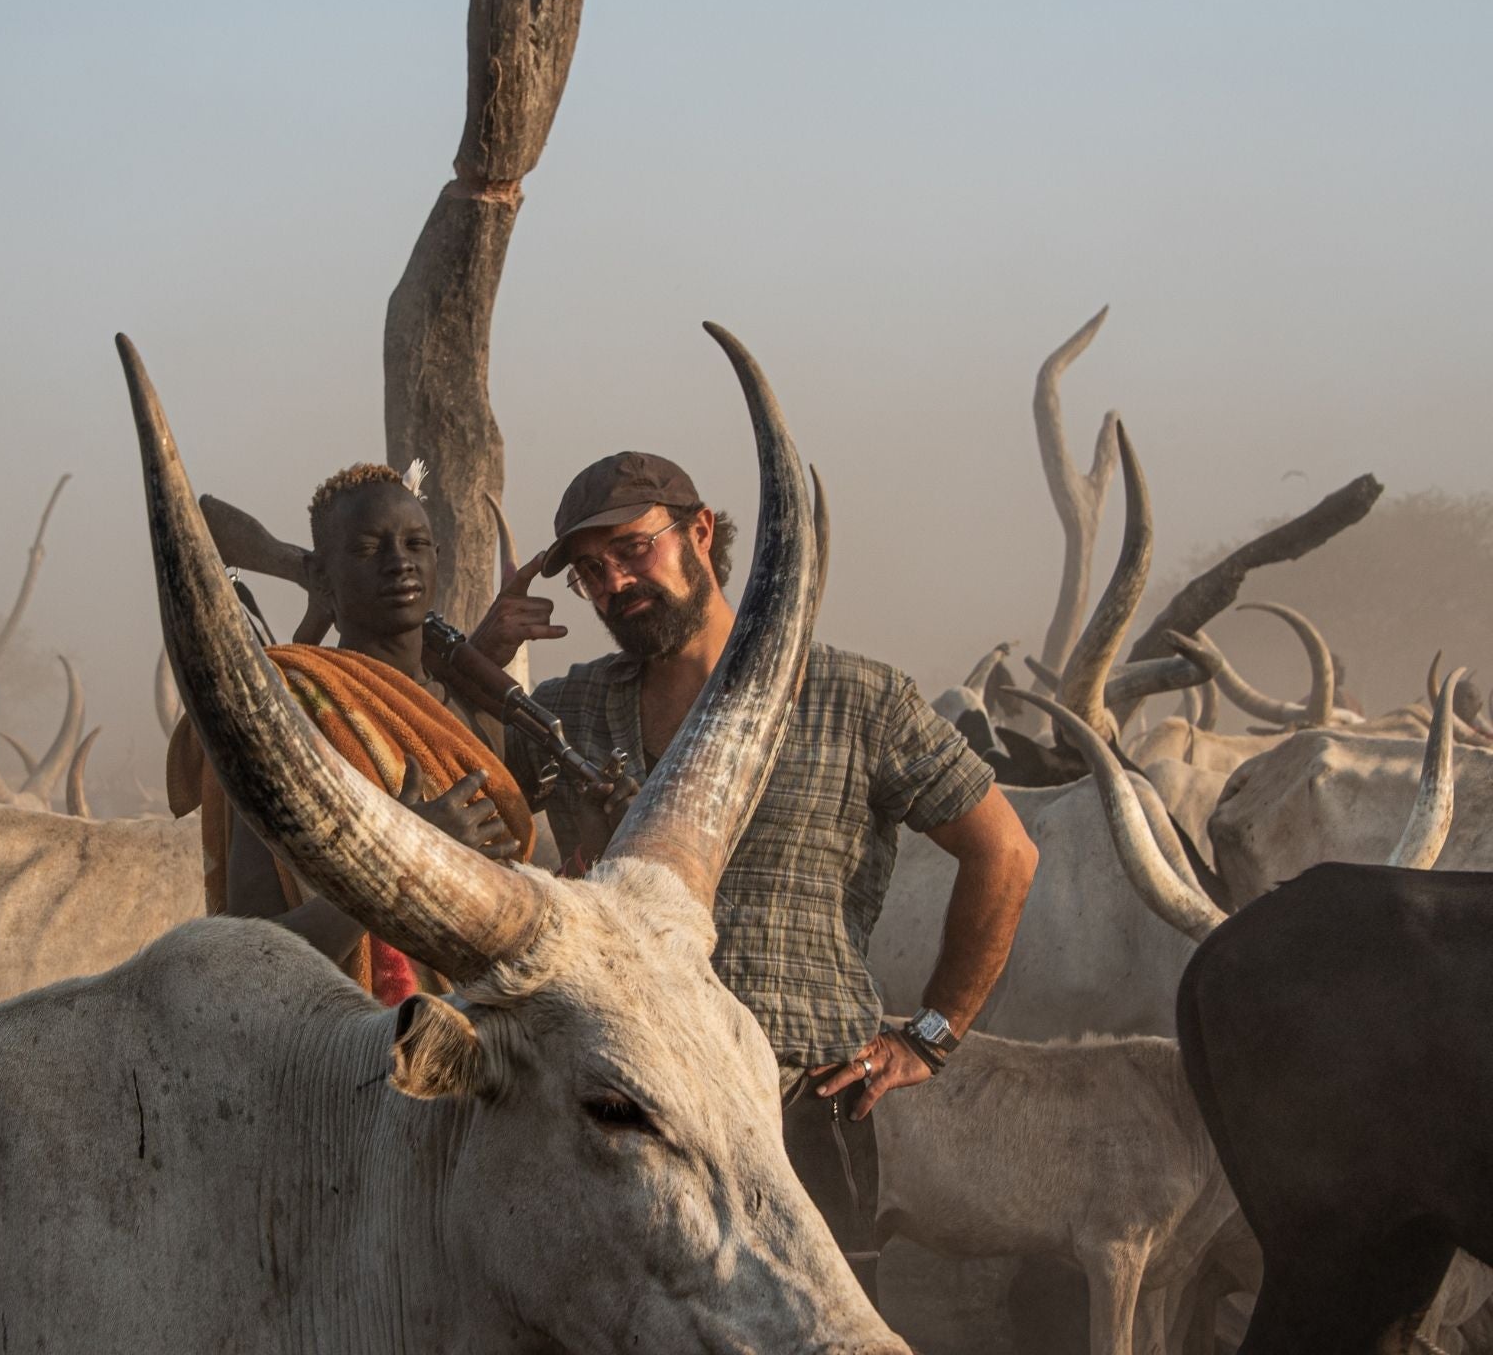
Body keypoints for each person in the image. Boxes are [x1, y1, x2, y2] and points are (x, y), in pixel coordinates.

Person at [470, 450, 1038, 1301]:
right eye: (590, 573)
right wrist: (480, 656)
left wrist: (930, 1034)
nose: (615, 583)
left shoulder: (854, 696)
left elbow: (1005, 851)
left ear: (700, 532)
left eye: (633, 550)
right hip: (631, 1115)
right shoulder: (569, 707)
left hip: (804, 1103)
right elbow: (446, 794)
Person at [168, 462, 537, 1003]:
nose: (400, 563)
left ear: (437, 559)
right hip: (357, 1059)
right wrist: (403, 859)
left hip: (494, 1052)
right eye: (369, 549)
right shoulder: (292, 721)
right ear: (320, 578)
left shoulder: (470, 718)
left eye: (416, 543)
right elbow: (250, 958)